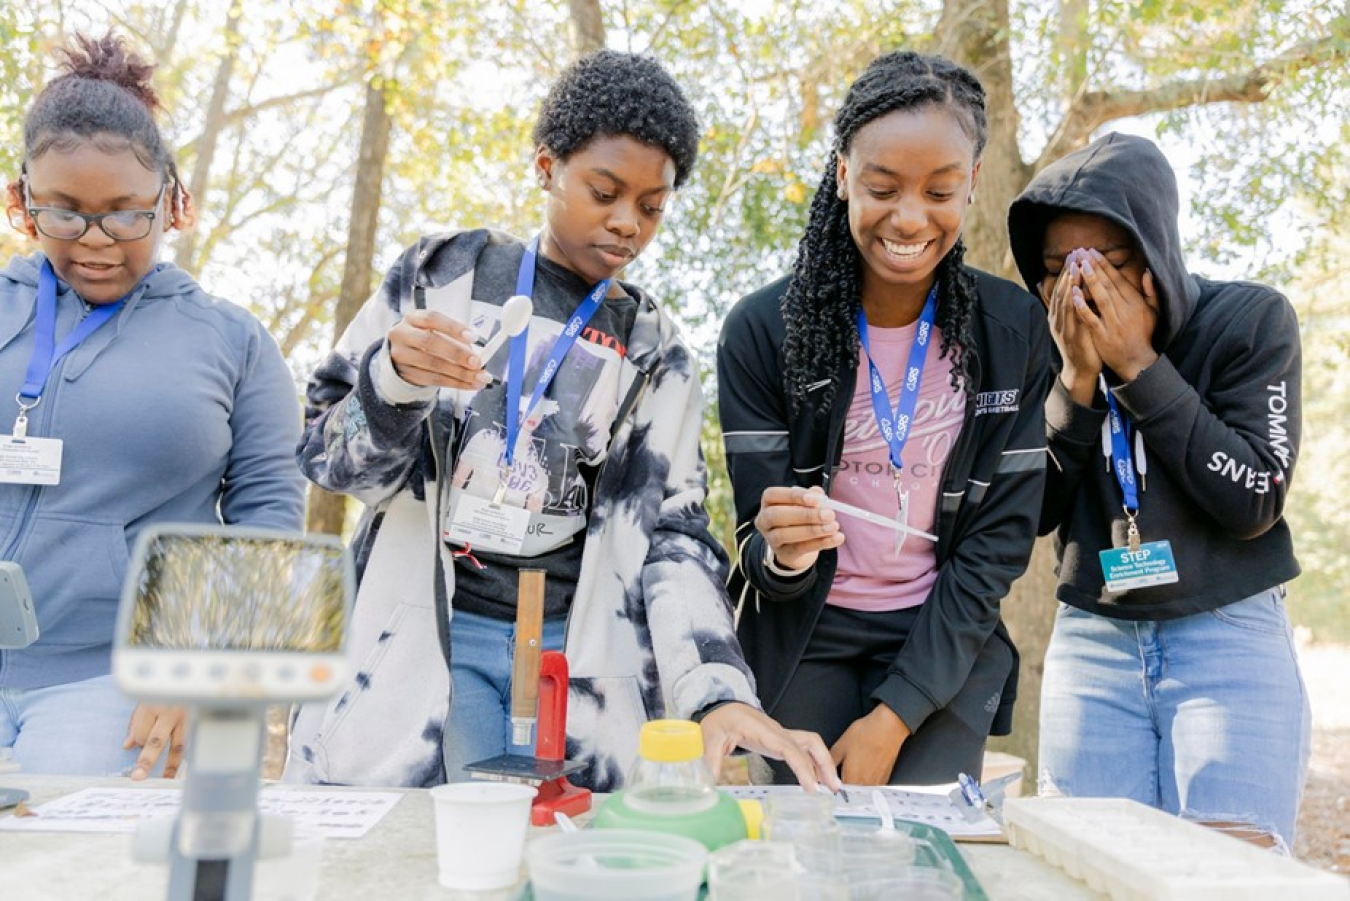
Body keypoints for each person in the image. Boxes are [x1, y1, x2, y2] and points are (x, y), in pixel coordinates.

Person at [283, 50, 839, 793]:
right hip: (422, 643)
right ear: (547, 167)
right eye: (604, 190)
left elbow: (674, 537)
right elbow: (328, 459)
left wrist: (718, 690)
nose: (626, 223)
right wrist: (393, 382)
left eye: (651, 206)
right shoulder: (442, 277)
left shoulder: (656, 350)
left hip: (577, 663)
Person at [718, 50, 1051, 787]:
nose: (910, 217)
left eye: (940, 190)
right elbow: (756, 547)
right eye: (882, 186)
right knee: (804, 852)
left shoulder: (1013, 330)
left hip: (942, 631)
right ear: (842, 176)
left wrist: (894, 716)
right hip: (807, 636)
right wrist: (785, 552)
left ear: (971, 183)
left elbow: (998, 546)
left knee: (921, 852)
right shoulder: (762, 331)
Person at [0, 33, 306, 778]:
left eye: (126, 214)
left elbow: (270, 520)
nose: (96, 240)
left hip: (119, 684)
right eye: (64, 214)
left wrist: (202, 666)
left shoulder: (232, 341)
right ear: (22, 202)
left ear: (173, 202)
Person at [1008, 132, 1310, 849]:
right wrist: (1076, 385)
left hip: (1227, 636)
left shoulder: (1249, 321)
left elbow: (1255, 499)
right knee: (1090, 872)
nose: (1080, 290)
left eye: (1106, 266)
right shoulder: (1037, 344)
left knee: (1229, 877)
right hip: (1093, 645)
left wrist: (1139, 364)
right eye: (1057, 269)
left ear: (1158, 255)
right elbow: (1029, 515)